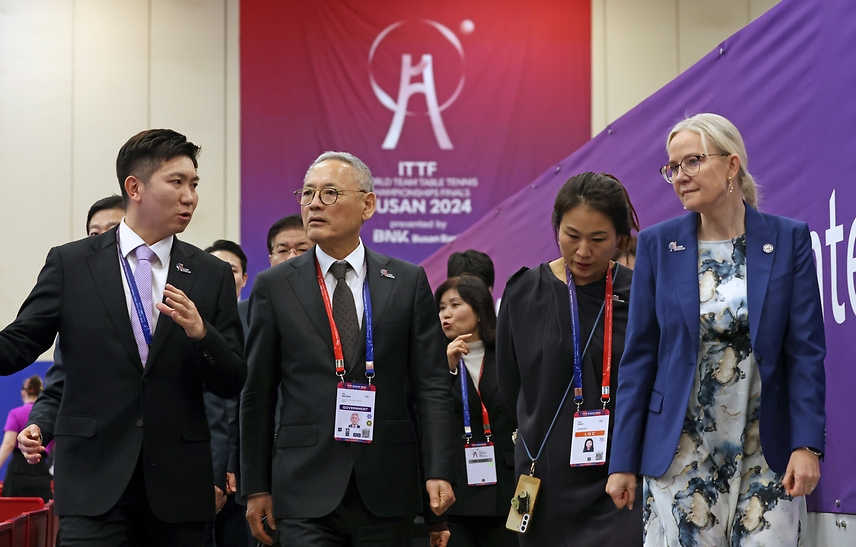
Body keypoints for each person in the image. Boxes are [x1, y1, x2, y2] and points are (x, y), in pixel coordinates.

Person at [0, 128, 247, 546]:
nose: (190, 196)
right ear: (135, 187)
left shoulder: (210, 274)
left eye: (194, 184)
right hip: (93, 485)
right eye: (177, 182)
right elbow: (16, 347)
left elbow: (232, 378)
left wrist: (202, 334)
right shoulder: (71, 263)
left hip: (178, 489)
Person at [606, 113, 826, 547]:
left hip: (767, 450)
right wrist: (622, 460)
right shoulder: (657, 244)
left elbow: (805, 352)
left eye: (692, 162)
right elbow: (639, 360)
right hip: (682, 451)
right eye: (672, 167)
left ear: (731, 164)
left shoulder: (788, 239)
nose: (679, 177)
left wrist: (808, 445)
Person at [240, 151, 455, 547]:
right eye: (306, 194)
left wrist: (438, 470)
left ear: (367, 204)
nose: (314, 203)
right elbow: (257, 393)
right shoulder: (274, 286)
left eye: (330, 193)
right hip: (303, 486)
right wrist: (255, 486)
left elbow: (432, 387)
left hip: (387, 484)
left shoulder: (406, 282)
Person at [497, 172, 642, 546]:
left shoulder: (641, 293)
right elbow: (511, 383)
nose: (582, 252)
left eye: (598, 240)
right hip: (544, 472)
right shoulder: (524, 292)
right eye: (571, 236)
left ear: (620, 238)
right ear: (556, 227)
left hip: (619, 476)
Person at [435, 275, 516, 547]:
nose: (446, 313)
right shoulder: (434, 361)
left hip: (506, 486)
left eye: (455, 304)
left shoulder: (507, 354)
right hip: (456, 489)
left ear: (480, 310)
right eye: (442, 307)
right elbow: (429, 414)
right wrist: (446, 368)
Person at [204, 238, 252, 547]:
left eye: (231, 269)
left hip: (240, 469)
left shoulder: (256, 324)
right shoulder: (182, 322)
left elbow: (244, 401)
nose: (222, 275)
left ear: (244, 278)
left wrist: (231, 462)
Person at [0, 375, 53, 500]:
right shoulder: (50, 417)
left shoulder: (15, 413)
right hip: (41, 470)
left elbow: (8, 444)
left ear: (23, 393)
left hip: (17, 472)